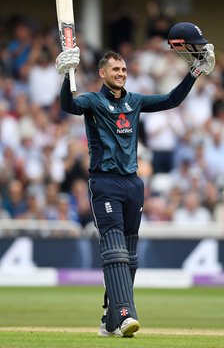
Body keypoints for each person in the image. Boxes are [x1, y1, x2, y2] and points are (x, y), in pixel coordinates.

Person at [55, 22, 215, 338]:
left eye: (124, 69)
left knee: (130, 257)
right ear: (102, 73)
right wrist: (65, 76)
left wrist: (195, 72)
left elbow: (172, 100)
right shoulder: (92, 102)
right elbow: (68, 105)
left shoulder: (136, 101)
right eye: (115, 69)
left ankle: (110, 320)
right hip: (105, 182)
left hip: (133, 184)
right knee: (114, 251)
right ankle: (127, 315)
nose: (122, 73)